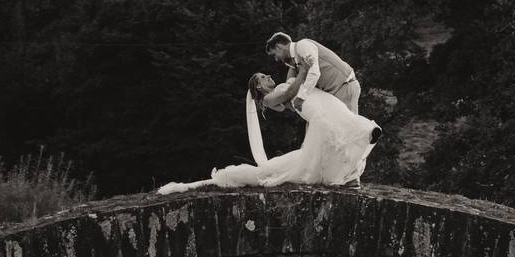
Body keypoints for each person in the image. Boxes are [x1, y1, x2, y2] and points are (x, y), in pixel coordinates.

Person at [156, 71, 382, 194]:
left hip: (322, 109)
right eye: (263, 78)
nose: (268, 77)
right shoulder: (270, 97)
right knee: (268, 173)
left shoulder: (279, 90)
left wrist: (296, 69)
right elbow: (293, 89)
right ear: (259, 88)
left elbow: (292, 88)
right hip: (318, 111)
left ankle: (364, 135)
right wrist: (304, 68)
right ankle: (224, 178)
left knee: (325, 143)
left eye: (265, 75)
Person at [265, 32, 361, 114]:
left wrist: (301, 97)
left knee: (351, 130)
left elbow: (314, 73)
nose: (276, 59)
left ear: (278, 47)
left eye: (274, 54)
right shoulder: (295, 60)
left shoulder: (303, 45)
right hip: (336, 92)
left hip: (344, 87)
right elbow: (291, 83)